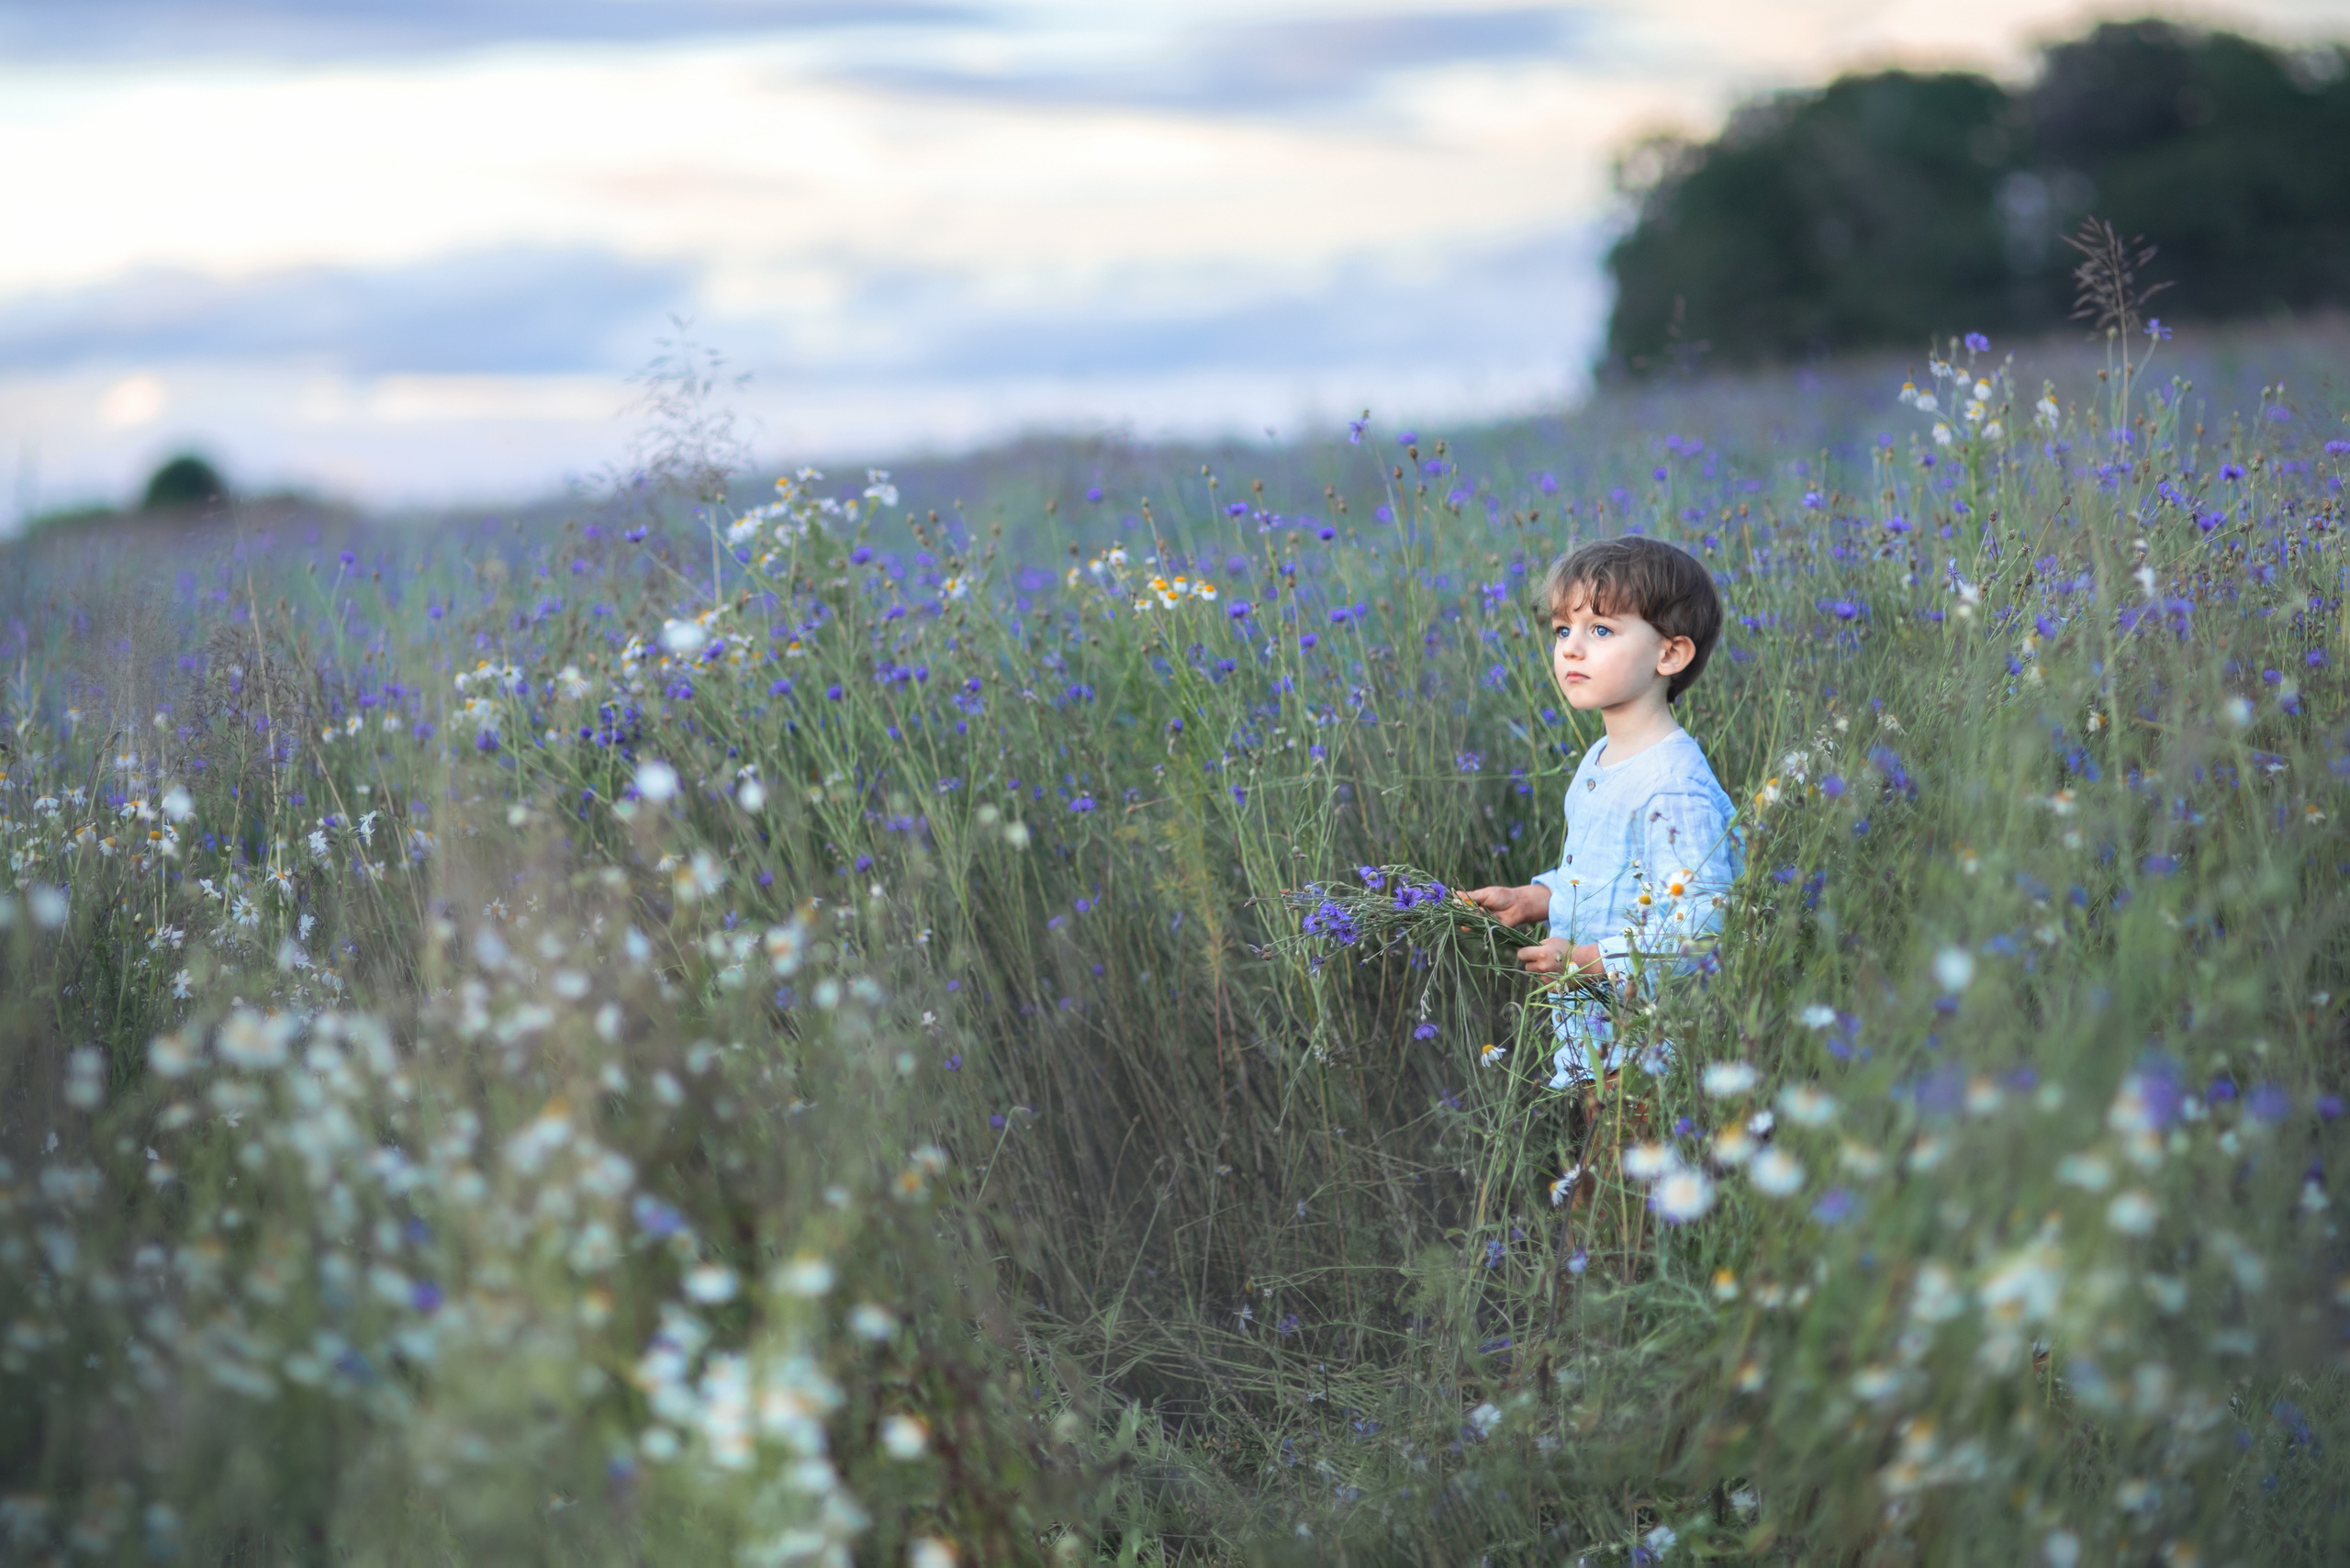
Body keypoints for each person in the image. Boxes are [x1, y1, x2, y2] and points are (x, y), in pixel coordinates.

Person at [1463, 535, 1742, 1092]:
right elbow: (1600, 874)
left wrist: (1592, 960)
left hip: (1651, 1059)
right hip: (1594, 1047)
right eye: (1563, 630)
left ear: (1670, 654)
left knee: (1626, 1180)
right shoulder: (1602, 758)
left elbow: (1703, 928)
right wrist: (1534, 898)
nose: (1570, 648)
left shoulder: (1671, 786)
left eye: (1601, 630)